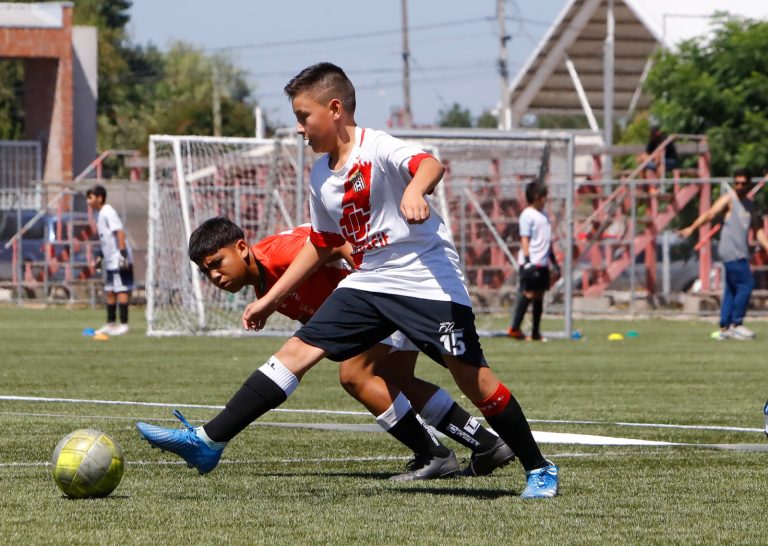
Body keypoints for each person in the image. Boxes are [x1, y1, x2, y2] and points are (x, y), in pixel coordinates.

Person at [136, 62, 558, 498]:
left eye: (304, 116)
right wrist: (267, 301)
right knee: (298, 352)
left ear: (335, 109)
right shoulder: (320, 175)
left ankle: (539, 468)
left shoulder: (376, 147)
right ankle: (209, 441)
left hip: (424, 277)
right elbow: (321, 243)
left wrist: (414, 190)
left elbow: (429, 164)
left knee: (475, 381)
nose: (299, 129)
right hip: (371, 279)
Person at [173, 216, 514, 480]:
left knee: (356, 374)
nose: (214, 276)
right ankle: (485, 444)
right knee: (398, 378)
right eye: (206, 272)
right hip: (387, 300)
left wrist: (375, 283)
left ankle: (434, 455)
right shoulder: (263, 281)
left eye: (217, 262)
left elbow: (338, 243)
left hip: (390, 295)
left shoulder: (279, 254)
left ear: (242, 247)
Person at [679, 169, 768, 340]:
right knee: (746, 284)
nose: (740, 186)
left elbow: (758, 231)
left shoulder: (750, 205)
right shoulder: (729, 199)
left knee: (732, 289)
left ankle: (725, 327)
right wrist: (692, 228)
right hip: (731, 251)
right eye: (737, 182)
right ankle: (736, 324)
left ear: (749, 184)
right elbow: (710, 214)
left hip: (741, 251)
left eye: (743, 183)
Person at [508, 181, 559, 341]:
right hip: (532, 262)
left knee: (539, 296)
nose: (546, 199)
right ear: (537, 197)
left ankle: (536, 332)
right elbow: (525, 238)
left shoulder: (544, 214)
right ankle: (514, 328)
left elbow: (547, 240)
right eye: (544, 196)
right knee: (528, 293)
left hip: (543, 262)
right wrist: (528, 260)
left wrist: (553, 261)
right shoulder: (527, 214)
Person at [86, 185, 133, 336]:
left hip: (118, 257)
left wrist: (122, 253)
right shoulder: (99, 215)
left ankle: (124, 325)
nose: (88, 201)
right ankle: (111, 323)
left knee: (121, 289)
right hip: (110, 259)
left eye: (90, 197)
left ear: (99, 198)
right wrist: (100, 256)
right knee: (110, 290)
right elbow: (105, 238)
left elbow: (119, 232)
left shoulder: (108, 211)